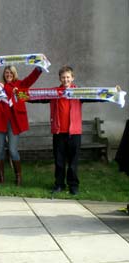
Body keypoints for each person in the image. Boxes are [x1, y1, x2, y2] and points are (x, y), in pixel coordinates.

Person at [50, 66, 81, 195]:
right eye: (63, 77)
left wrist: (114, 93)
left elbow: (97, 96)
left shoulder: (80, 92)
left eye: (68, 77)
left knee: (73, 162)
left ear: (72, 78)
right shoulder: (53, 92)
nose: (66, 79)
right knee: (59, 161)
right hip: (58, 132)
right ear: (60, 78)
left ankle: (73, 186)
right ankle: (59, 185)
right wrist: (20, 94)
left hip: (74, 133)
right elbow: (36, 98)